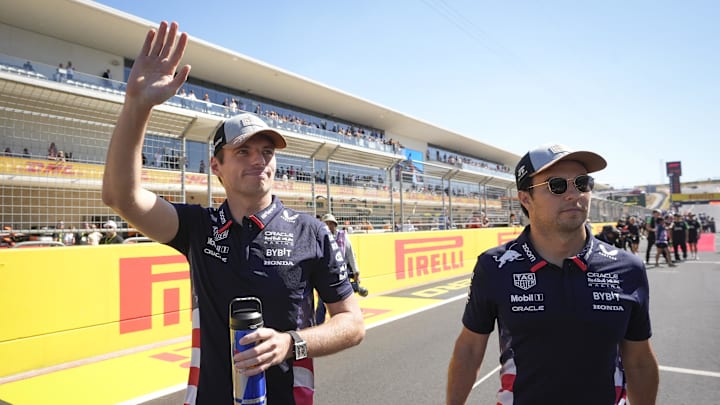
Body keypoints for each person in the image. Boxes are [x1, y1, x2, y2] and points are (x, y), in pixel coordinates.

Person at [101, 21, 364, 404]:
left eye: (267, 153)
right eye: (244, 151)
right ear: (216, 167)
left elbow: (352, 323)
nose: (259, 161)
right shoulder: (197, 227)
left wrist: (291, 344)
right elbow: (121, 196)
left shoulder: (311, 231)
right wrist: (137, 105)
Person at [447, 144, 659, 404]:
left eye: (582, 183)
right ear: (525, 199)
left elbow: (639, 360)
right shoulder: (495, 266)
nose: (574, 194)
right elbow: (469, 349)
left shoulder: (628, 268)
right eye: (556, 185)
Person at [315, 213, 364, 324]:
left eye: (330, 223)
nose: (327, 226)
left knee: (344, 301)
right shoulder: (320, 238)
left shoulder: (343, 237)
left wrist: (356, 272)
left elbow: (351, 255)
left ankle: (346, 322)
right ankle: (318, 325)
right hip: (325, 275)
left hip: (341, 274)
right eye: (325, 223)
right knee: (321, 304)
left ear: (334, 225)